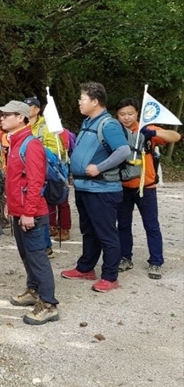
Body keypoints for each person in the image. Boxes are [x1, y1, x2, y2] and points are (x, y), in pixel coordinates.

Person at [62, 82, 130, 293]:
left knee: (106, 233)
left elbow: (123, 150)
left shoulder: (108, 124)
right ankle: (85, 268)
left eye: (82, 99)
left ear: (95, 101)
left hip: (102, 189)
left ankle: (110, 276)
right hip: (85, 187)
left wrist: (99, 167)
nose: (79, 102)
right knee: (89, 231)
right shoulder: (88, 122)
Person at [0, 101, 60, 325]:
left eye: (7, 115)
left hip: (31, 213)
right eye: (2, 115)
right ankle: (33, 290)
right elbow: (15, 180)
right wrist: (10, 205)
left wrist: (28, 212)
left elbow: (36, 182)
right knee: (26, 255)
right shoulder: (14, 142)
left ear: (21, 117)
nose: (2, 118)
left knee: (37, 257)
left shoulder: (30, 144)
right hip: (19, 211)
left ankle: (49, 304)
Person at [115, 98, 181, 279]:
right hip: (122, 186)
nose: (126, 117)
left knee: (151, 225)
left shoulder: (146, 129)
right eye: (122, 114)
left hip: (146, 187)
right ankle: (125, 258)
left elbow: (175, 137)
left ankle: (156, 262)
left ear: (137, 113)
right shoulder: (115, 131)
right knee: (123, 225)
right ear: (117, 115)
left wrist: (151, 132)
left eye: (130, 113)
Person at [24, 96, 71, 254]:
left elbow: (57, 148)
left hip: (48, 168)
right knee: (42, 201)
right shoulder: (23, 125)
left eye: (29, 106)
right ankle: (49, 232)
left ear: (37, 109)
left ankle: (63, 229)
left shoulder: (46, 125)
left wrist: (37, 150)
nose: (26, 109)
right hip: (31, 169)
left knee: (59, 199)